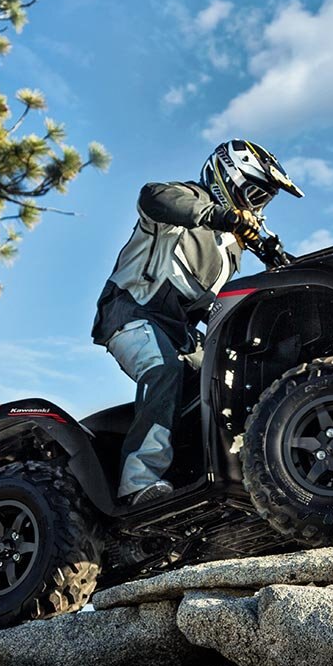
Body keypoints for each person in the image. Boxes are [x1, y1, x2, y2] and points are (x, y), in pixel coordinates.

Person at [90, 140, 302, 505]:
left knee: (230, 382)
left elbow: (210, 306)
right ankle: (137, 483)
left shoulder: (228, 250)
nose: (256, 207)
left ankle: (213, 474)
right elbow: (152, 196)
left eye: (264, 201)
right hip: (132, 314)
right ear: (228, 177)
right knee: (163, 370)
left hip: (180, 332)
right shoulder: (184, 201)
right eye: (255, 194)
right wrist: (222, 216)